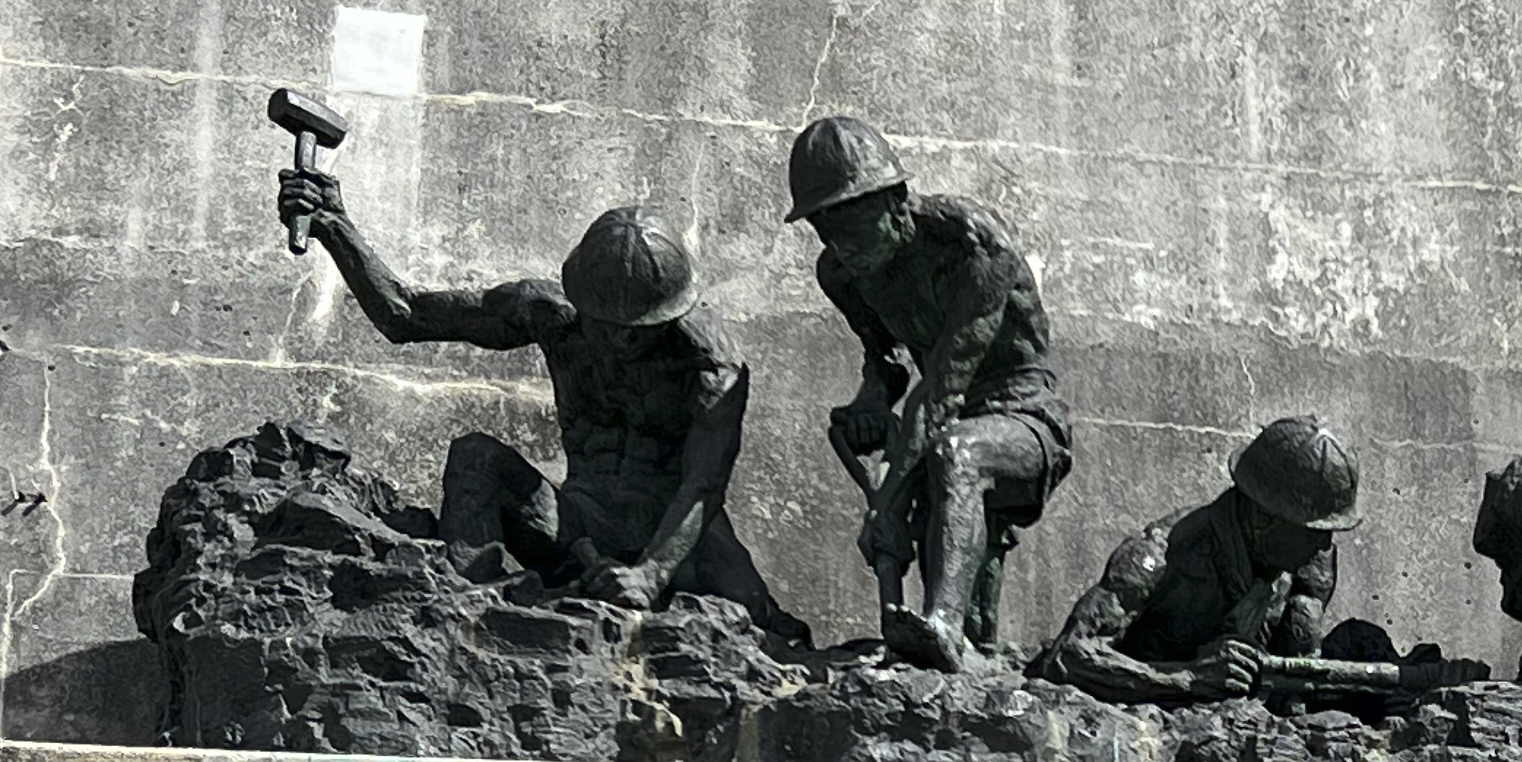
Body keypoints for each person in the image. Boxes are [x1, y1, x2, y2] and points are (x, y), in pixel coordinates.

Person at [273, 175, 804, 637]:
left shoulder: (710, 362)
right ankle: (464, 620)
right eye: (610, 329)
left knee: (758, 623)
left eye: (641, 332)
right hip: (581, 525)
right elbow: (406, 314)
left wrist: (650, 574)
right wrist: (334, 226)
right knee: (475, 458)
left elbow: (702, 485)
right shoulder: (551, 316)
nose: (623, 345)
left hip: (682, 542)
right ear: (583, 304)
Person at [784, 114, 1074, 669]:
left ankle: (942, 624)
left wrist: (888, 499)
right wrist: (871, 402)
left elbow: (943, 387)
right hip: (947, 418)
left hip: (1026, 418)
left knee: (956, 455)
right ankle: (965, 650)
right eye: (826, 231)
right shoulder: (844, 275)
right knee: (945, 466)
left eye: (852, 226)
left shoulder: (972, 246)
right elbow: (888, 363)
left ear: (895, 201)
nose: (840, 247)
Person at [1039, 416, 1471, 708]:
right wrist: (1184, 679)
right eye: (1313, 530)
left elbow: (1298, 682)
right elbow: (1067, 657)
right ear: (1265, 518)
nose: (1324, 546)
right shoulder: (1161, 557)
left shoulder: (1311, 564)